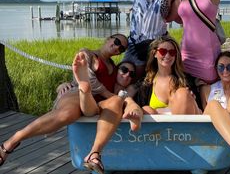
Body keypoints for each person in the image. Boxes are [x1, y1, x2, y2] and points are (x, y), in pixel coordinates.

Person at [0, 34, 137, 169]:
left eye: (122, 49)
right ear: (109, 38)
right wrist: (107, 94)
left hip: (98, 103)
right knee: (68, 113)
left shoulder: (115, 67)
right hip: (77, 93)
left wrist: (119, 97)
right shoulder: (86, 53)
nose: (117, 47)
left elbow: (122, 86)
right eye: (117, 41)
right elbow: (90, 78)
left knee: (115, 103)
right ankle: (13, 140)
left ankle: (94, 154)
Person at [72, 51, 143, 174]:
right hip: (91, 108)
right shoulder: (103, 82)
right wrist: (62, 86)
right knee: (109, 100)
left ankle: (94, 154)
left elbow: (130, 103)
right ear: (116, 70)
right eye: (124, 69)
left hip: (104, 112)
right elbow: (68, 85)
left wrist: (135, 113)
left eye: (131, 74)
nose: (127, 75)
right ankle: (85, 89)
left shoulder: (127, 91)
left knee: (118, 99)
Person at [135, 36, 201, 115]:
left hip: (186, 125)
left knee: (183, 93)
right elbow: (138, 109)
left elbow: (199, 110)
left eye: (172, 52)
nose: (167, 55)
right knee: (146, 109)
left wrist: (192, 100)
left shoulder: (186, 80)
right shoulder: (146, 83)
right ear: (154, 53)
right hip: (158, 126)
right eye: (163, 51)